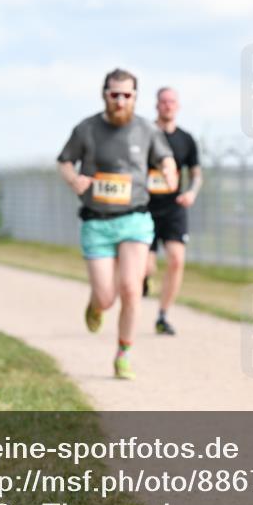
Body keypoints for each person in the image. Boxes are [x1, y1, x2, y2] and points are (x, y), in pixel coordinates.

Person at [57, 68, 177, 380]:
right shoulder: (86, 128)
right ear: (105, 94)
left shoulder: (147, 129)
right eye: (115, 94)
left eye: (127, 95)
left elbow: (165, 157)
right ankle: (96, 305)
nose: (120, 100)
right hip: (96, 222)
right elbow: (64, 161)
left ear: (135, 98)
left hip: (134, 219)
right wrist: (74, 179)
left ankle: (124, 353)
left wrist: (170, 171)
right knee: (107, 297)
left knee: (131, 288)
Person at [143, 87, 202, 335]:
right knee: (145, 267)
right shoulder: (145, 135)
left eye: (172, 102)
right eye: (163, 101)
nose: (167, 105)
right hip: (144, 207)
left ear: (177, 106)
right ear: (157, 105)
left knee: (177, 260)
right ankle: (144, 278)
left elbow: (197, 174)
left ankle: (163, 315)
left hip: (174, 207)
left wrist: (191, 192)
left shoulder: (186, 139)